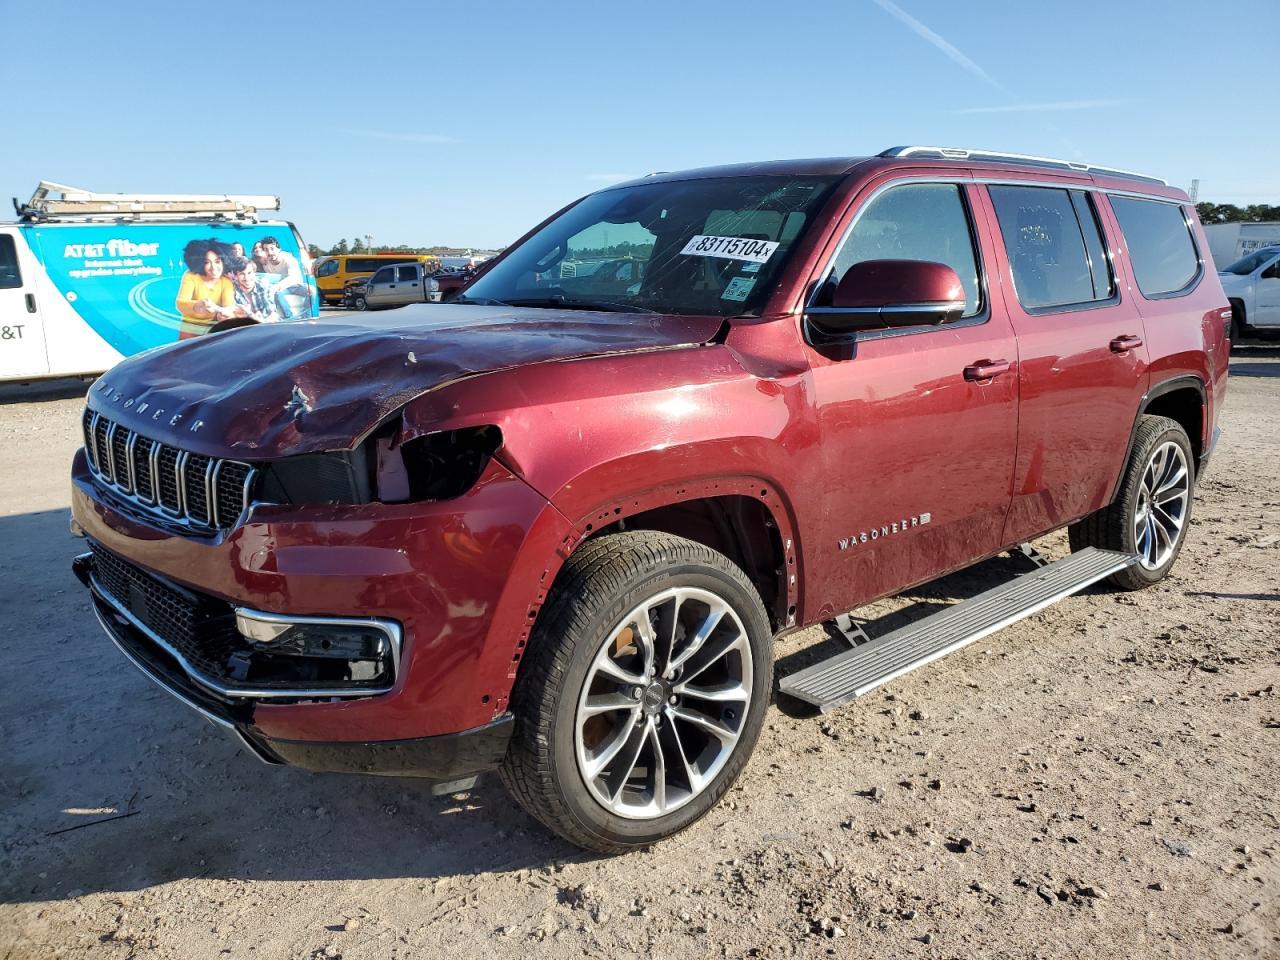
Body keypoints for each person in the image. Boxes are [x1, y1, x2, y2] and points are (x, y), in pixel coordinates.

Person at [175, 239, 236, 338]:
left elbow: (229, 307)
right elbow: (180, 304)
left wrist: (223, 315)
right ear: (200, 263)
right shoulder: (191, 276)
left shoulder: (226, 281)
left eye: (217, 261)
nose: (213, 267)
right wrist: (197, 306)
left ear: (224, 262)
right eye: (207, 262)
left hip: (214, 332)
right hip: (190, 331)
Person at [256, 236, 312, 320]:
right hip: (282, 289)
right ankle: (289, 317)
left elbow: (292, 277)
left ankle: (307, 316)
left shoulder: (288, 259)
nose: (270, 252)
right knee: (278, 294)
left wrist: (277, 287)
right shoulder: (266, 263)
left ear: (279, 249)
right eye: (266, 250)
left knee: (312, 291)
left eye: (272, 248)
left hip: (295, 285)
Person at [226, 256, 280, 323]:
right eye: (242, 274)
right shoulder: (231, 289)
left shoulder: (263, 285)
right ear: (236, 276)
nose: (247, 278)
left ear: (254, 273)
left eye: (249, 273)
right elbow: (235, 315)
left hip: (266, 323)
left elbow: (271, 311)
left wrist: (261, 320)